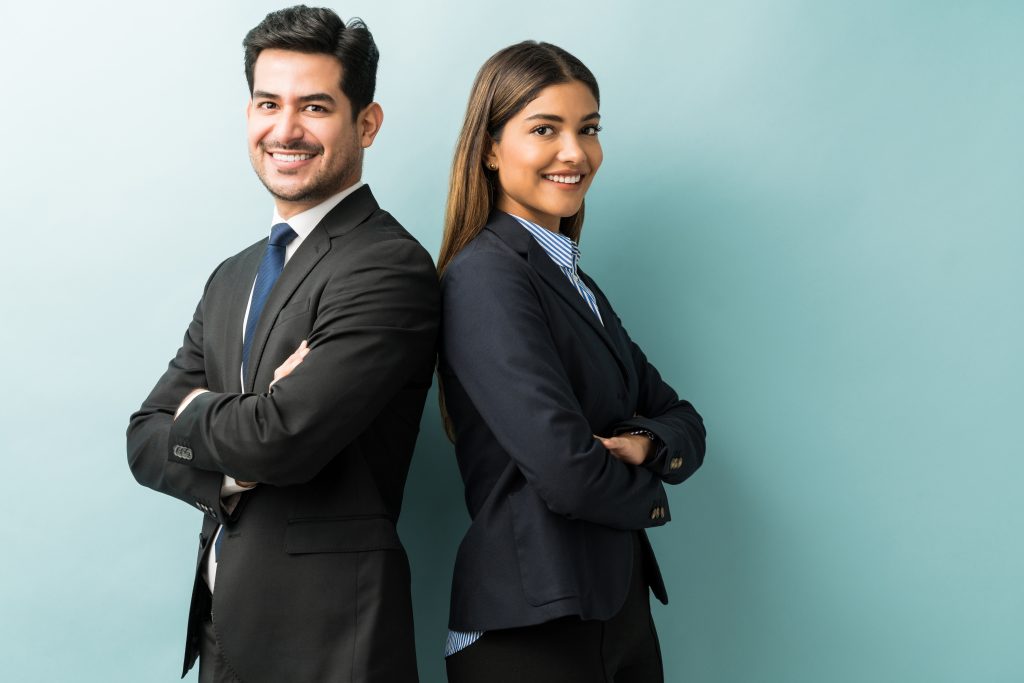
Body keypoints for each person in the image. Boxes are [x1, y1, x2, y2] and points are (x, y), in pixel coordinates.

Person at [126, 6, 438, 682]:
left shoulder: (388, 265)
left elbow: (282, 439)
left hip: (330, 645)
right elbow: (144, 439)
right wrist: (240, 445)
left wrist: (205, 414)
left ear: (367, 123)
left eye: (315, 106)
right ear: (249, 115)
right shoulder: (232, 275)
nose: (285, 129)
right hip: (223, 636)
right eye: (268, 102)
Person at [436, 41, 707, 682]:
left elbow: (682, 418)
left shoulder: (573, 281)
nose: (574, 152)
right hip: (533, 627)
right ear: (490, 149)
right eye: (544, 130)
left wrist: (645, 442)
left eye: (588, 130)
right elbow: (567, 471)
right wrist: (654, 496)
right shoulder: (486, 278)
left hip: (614, 609)